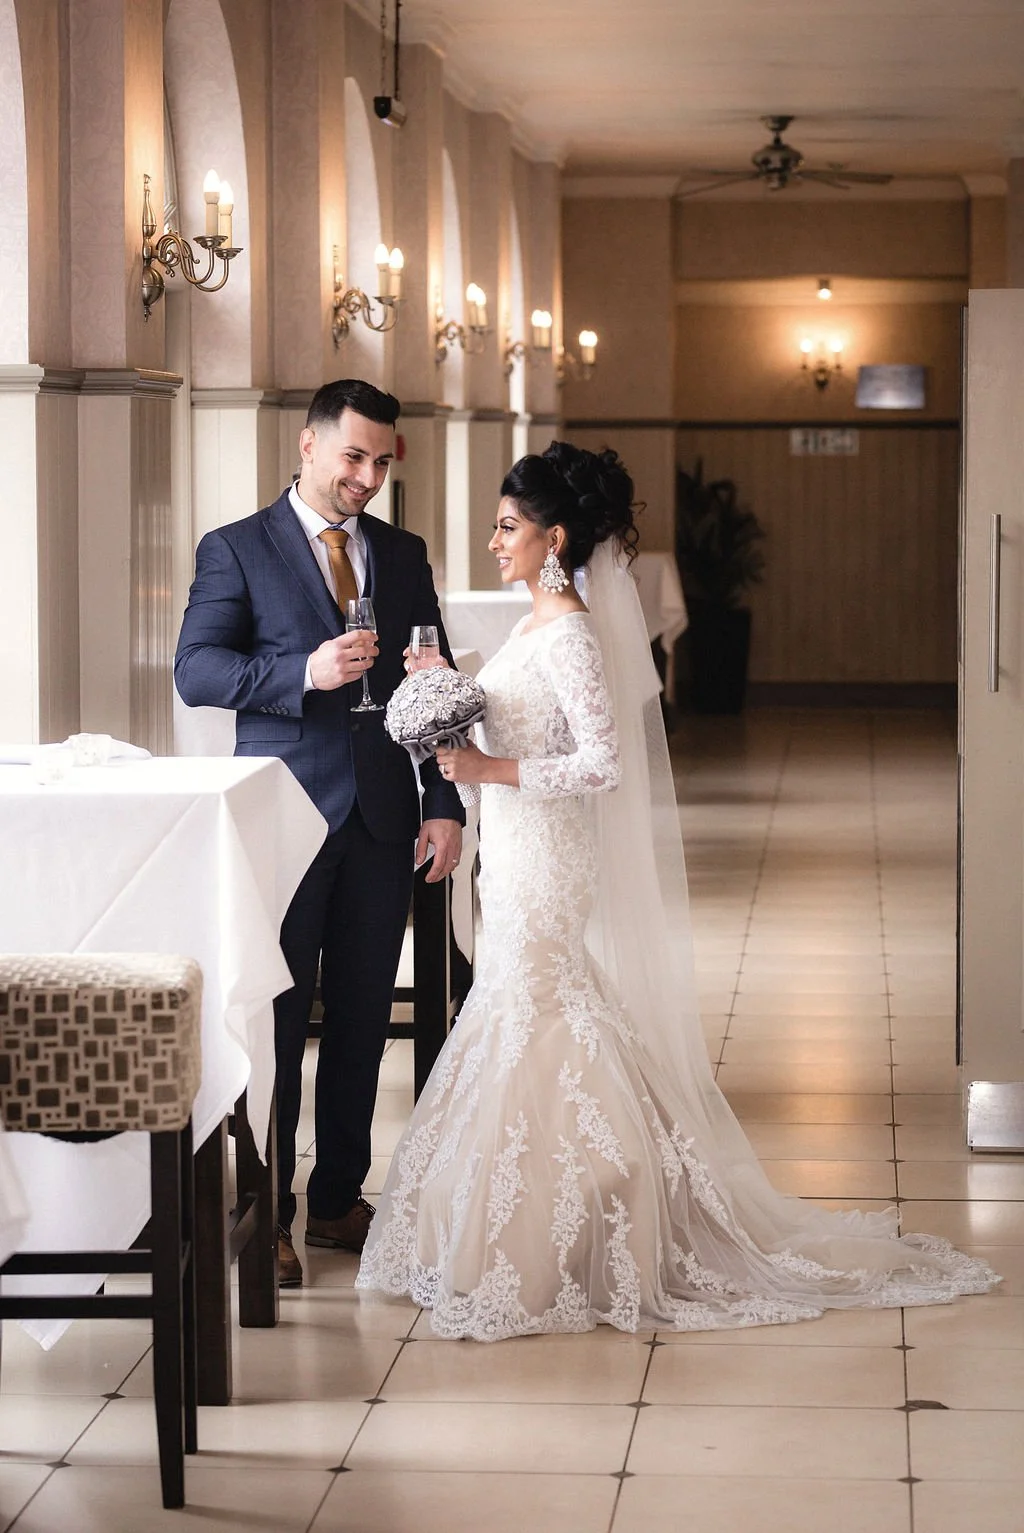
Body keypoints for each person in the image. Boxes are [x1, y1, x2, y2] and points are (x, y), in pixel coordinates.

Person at [357, 441, 999, 1340]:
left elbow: (602, 763)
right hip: (518, 849)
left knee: (536, 1012)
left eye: (509, 527)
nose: (495, 541)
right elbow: (504, 744)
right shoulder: (531, 624)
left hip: (549, 863)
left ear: (556, 537)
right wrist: (450, 723)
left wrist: (489, 765)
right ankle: (543, 1226)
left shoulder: (572, 633)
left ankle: (553, 1243)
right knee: (531, 1011)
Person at [174, 379, 464, 1289]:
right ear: (307, 446)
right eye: (354, 457)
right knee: (280, 1018)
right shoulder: (237, 549)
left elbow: (437, 683)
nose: (368, 477)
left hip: (385, 816)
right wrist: (302, 669)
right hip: (284, 816)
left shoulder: (403, 552)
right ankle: (270, 1216)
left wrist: (446, 801)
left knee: (365, 1018)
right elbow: (197, 671)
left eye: (381, 462)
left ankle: (339, 1197)